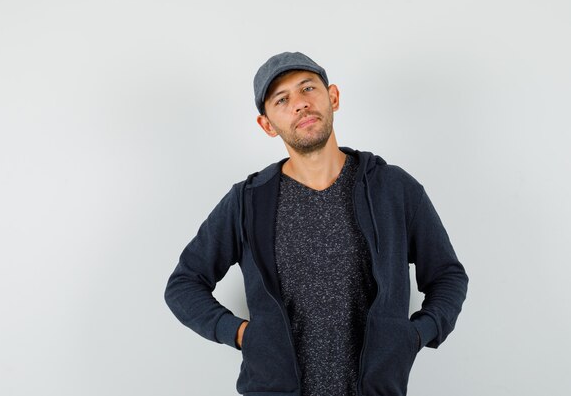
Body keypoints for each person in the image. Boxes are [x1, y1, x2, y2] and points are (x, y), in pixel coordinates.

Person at [164, 52, 468, 396]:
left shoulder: (392, 188)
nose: (300, 104)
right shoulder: (248, 201)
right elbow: (184, 284)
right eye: (282, 99)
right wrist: (240, 333)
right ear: (267, 124)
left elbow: (447, 276)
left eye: (308, 88)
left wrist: (416, 334)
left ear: (333, 97)